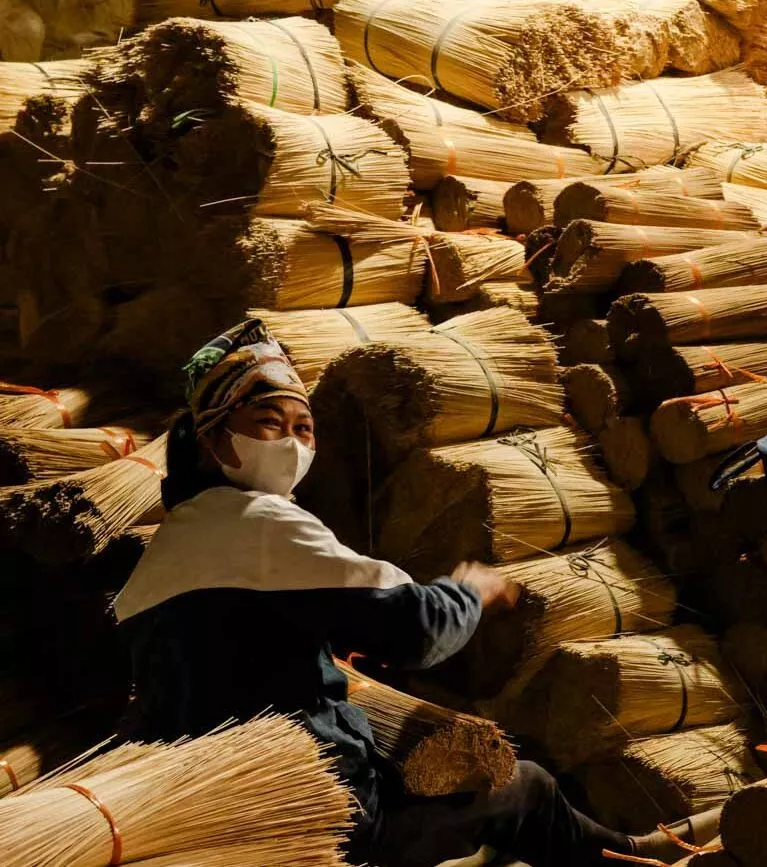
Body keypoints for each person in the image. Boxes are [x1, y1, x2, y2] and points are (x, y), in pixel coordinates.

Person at [113, 320, 719, 867]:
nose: (293, 445)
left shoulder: (162, 554)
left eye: (305, 429)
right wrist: (468, 592)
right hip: (317, 807)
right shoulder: (259, 522)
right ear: (213, 439)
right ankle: (634, 860)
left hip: (207, 804)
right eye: (269, 424)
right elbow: (411, 631)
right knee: (526, 785)